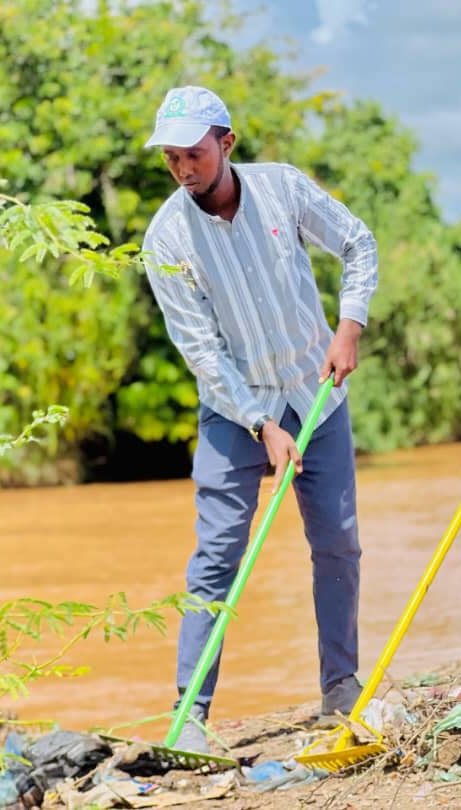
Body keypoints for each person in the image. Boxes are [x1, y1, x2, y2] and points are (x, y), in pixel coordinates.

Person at [140, 86, 378, 753]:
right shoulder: (165, 239)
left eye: (193, 152)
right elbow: (200, 351)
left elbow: (357, 244)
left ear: (227, 143)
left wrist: (349, 325)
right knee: (216, 558)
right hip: (232, 411)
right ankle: (190, 716)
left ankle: (340, 686)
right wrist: (258, 423)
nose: (183, 168)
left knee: (337, 544)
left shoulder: (282, 190)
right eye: (171, 157)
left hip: (316, 395)